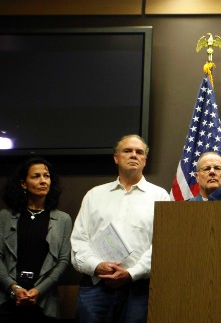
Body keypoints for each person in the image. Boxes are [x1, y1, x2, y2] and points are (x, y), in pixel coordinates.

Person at [70, 134, 170, 323]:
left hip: (139, 289)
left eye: (139, 152)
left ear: (145, 160)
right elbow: (79, 241)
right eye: (127, 151)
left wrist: (131, 273)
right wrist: (97, 266)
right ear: (116, 158)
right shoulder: (94, 195)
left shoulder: (160, 196)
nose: (134, 155)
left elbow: (162, 244)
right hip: (95, 286)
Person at [0, 157, 72, 322]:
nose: (43, 181)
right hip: (7, 300)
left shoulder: (63, 219)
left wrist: (38, 290)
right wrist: (13, 288)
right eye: (36, 176)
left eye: (46, 176)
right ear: (23, 184)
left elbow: (63, 261)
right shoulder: (4, 217)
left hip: (44, 301)